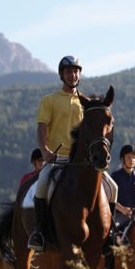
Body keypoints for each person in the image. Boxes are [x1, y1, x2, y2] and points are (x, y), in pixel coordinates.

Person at [27, 55, 118, 252]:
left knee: (113, 188)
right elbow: (42, 128)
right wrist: (45, 151)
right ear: (62, 75)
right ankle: (39, 232)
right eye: (69, 71)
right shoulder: (49, 100)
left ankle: (109, 234)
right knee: (42, 185)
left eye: (76, 71)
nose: (73, 74)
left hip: (85, 161)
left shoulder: (86, 104)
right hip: (57, 159)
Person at [110, 144, 135, 234]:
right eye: (128, 157)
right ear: (123, 159)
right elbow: (110, 198)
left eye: (134, 158)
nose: (131, 160)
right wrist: (123, 209)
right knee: (117, 234)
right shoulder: (115, 176)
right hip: (119, 215)